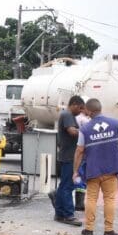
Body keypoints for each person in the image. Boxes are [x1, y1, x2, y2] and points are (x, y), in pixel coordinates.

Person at [73, 98, 118, 235]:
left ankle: (88, 229)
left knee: (91, 199)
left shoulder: (84, 129)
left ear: (89, 111)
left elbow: (79, 151)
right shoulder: (116, 124)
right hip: (111, 168)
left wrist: (75, 170)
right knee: (110, 199)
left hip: (93, 170)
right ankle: (108, 231)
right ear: (100, 108)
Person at [53, 96, 85, 226]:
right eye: (81, 108)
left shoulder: (67, 115)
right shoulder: (67, 115)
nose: (81, 111)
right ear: (74, 105)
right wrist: (87, 131)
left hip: (66, 155)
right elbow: (72, 132)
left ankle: (60, 213)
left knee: (63, 185)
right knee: (68, 186)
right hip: (70, 156)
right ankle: (68, 215)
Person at [74, 106, 91, 210]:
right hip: (83, 152)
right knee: (80, 176)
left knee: (77, 176)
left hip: (76, 150)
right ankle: (79, 203)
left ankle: (79, 202)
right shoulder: (85, 120)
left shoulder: (76, 118)